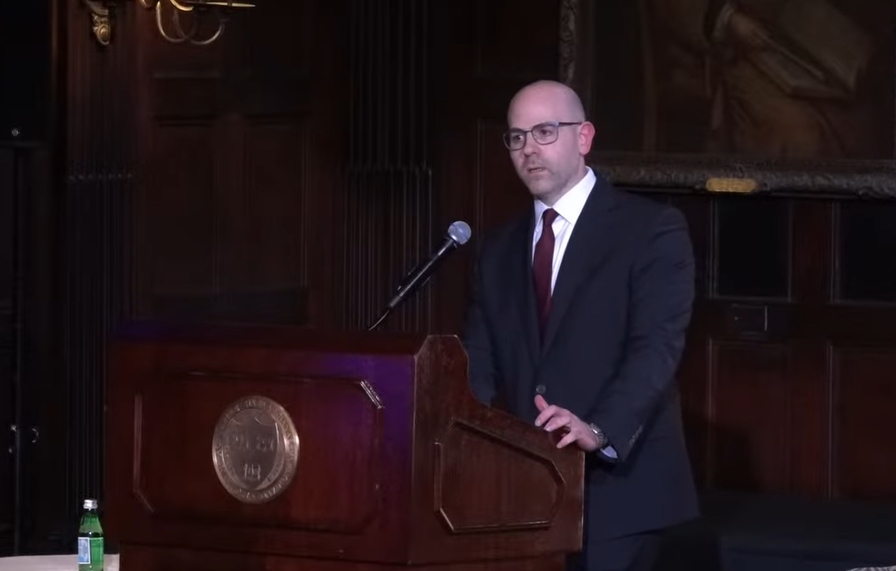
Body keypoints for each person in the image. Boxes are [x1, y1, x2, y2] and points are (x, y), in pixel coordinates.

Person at [461, 79, 698, 571]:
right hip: (525, 493)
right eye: (516, 137)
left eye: (544, 132)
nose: (528, 148)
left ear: (584, 137)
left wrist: (598, 428)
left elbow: (655, 349)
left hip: (621, 492)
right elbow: (478, 363)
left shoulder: (650, 229)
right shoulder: (497, 250)